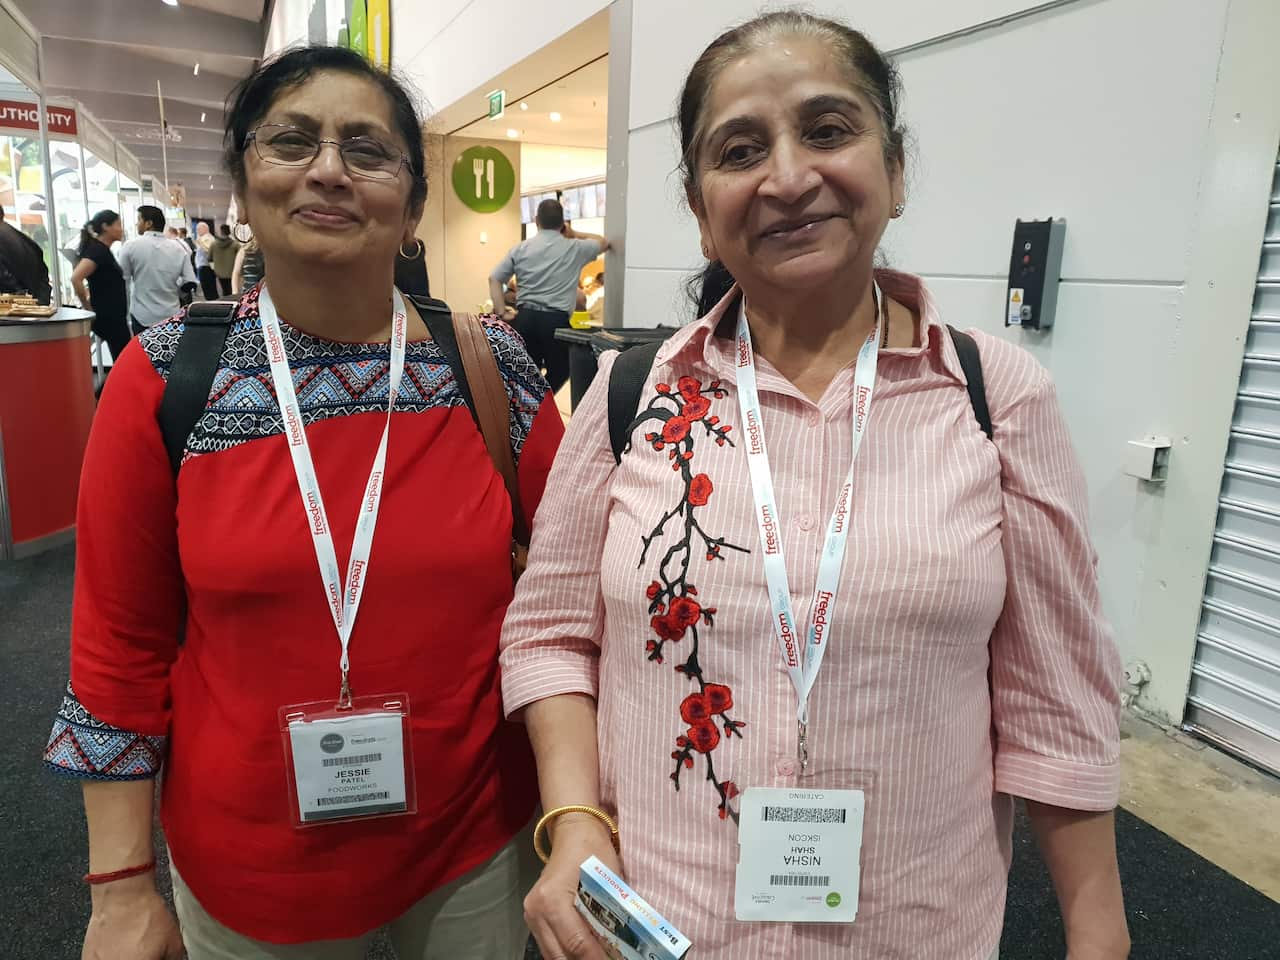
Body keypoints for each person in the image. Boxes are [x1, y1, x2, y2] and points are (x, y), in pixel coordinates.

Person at [502, 12, 1128, 960]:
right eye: (740, 149)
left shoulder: (996, 398)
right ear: (701, 201)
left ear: (897, 168)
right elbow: (548, 633)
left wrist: (1099, 935)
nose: (789, 178)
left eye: (829, 130)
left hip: (914, 928)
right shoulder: (633, 395)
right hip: (662, 926)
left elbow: (1058, 698)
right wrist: (575, 818)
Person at [43, 43, 563, 960]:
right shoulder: (167, 377)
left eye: (366, 149)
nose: (328, 169)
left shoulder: (488, 364)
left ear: (410, 201)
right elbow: (119, 645)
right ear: (243, 186)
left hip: (472, 838)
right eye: (291, 141)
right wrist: (121, 886)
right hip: (252, 863)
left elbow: (565, 603)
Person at [488, 199, 608, 391]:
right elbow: (603, 242)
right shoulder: (574, 247)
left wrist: (502, 312)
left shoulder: (520, 249)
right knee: (562, 369)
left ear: (536, 221)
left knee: (525, 373)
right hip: (556, 320)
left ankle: (529, 408)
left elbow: (494, 279)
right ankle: (542, 401)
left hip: (525, 318)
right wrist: (575, 233)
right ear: (562, 223)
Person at [117, 205, 198, 334]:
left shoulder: (130, 247)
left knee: (143, 353)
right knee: (169, 352)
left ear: (149, 223)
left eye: (139, 219)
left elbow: (122, 282)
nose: (136, 223)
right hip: (171, 314)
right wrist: (177, 293)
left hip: (141, 316)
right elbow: (190, 282)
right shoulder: (178, 249)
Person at [70, 210, 129, 360]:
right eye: (118, 224)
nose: (121, 228)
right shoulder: (97, 251)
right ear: (105, 227)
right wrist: (87, 308)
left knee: (122, 357)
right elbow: (76, 278)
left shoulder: (102, 250)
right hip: (109, 317)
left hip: (113, 315)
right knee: (124, 359)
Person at [0, 202, 52, 303]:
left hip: (12, 311)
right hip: (35, 308)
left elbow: (4, 278)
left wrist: (21, 300)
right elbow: (43, 274)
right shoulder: (23, 239)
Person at [209, 223, 240, 296]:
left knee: (224, 289)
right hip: (232, 271)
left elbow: (209, 258)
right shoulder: (235, 244)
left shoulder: (213, 244)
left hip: (219, 272)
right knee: (231, 289)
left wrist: (214, 269)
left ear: (221, 231)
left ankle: (225, 301)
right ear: (229, 231)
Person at [194, 220, 218, 299]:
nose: (197, 231)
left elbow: (209, 251)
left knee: (209, 291)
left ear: (204, 229)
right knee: (209, 290)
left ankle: (212, 308)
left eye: (198, 229)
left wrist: (200, 243)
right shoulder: (206, 238)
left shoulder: (206, 238)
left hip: (206, 267)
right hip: (205, 267)